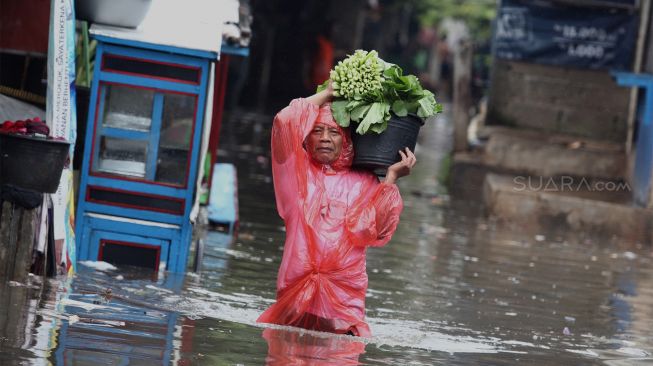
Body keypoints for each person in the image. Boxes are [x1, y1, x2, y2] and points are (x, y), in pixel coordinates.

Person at [256, 82, 416, 337]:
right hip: (295, 291)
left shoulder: (364, 182)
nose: (325, 139)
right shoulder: (295, 174)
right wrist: (328, 94)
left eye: (333, 132)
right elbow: (284, 122)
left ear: (346, 140)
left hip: (343, 299)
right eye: (317, 131)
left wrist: (390, 179)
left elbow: (370, 232)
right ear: (307, 137)